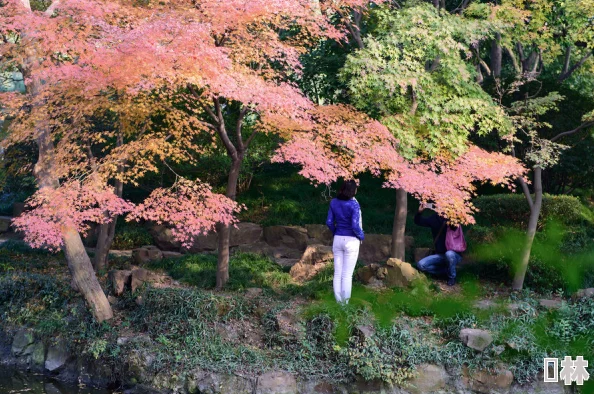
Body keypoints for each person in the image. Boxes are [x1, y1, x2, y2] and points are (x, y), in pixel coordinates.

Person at [326, 180, 364, 304]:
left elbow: (329, 222)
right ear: (353, 191)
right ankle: (345, 305)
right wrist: (361, 236)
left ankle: (338, 302)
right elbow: (355, 225)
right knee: (347, 275)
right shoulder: (354, 205)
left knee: (338, 273)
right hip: (351, 240)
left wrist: (335, 231)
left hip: (337, 239)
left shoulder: (333, 202)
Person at [414, 203, 462, 286]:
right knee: (421, 265)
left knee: (449, 254)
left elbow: (454, 226)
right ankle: (445, 271)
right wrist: (419, 212)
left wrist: (451, 213)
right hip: (440, 255)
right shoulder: (434, 219)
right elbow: (418, 221)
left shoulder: (452, 219)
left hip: (454, 255)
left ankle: (452, 277)